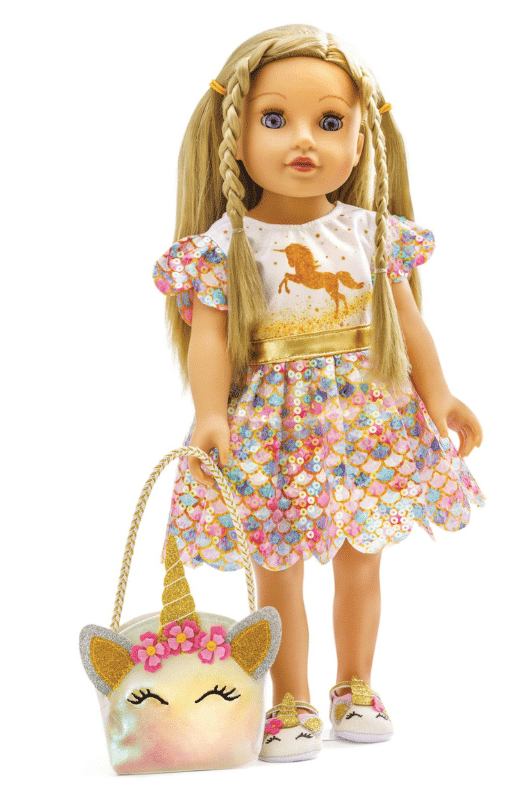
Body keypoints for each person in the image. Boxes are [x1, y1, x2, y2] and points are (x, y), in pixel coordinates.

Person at [151, 24, 485, 763]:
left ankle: (355, 684)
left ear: (361, 142)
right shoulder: (224, 248)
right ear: (235, 138)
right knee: (278, 568)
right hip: (272, 427)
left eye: (330, 122)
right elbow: (210, 338)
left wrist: (439, 395)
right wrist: (209, 413)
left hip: (366, 419)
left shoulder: (371, 235)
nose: (304, 140)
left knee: (362, 560)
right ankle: (290, 699)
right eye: (275, 118)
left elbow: (407, 322)